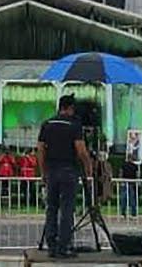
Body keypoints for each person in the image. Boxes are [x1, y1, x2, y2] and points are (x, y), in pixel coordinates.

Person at [37, 94, 93, 259]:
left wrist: (43, 172)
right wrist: (88, 166)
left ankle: (51, 244)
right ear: (70, 108)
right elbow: (81, 150)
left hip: (52, 170)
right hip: (68, 170)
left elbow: (40, 149)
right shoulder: (74, 125)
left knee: (51, 208)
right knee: (67, 209)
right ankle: (64, 246)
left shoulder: (47, 124)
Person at [118, 153, 140, 217]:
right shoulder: (135, 166)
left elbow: (120, 173)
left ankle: (123, 213)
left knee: (123, 199)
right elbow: (137, 175)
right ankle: (133, 213)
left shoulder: (124, 165)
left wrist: (120, 181)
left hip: (125, 183)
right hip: (132, 183)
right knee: (132, 199)